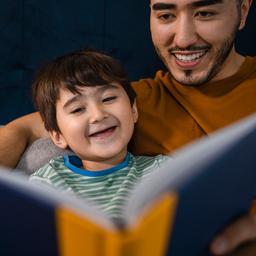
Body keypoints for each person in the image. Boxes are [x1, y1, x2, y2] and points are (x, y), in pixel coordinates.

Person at [0, 0, 255, 254]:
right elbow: (20, 129)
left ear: (243, 11)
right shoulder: (134, 100)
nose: (184, 39)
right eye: (166, 16)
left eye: (204, 13)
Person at [28, 49, 167, 219]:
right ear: (58, 136)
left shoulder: (163, 170)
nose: (98, 115)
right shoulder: (48, 182)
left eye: (108, 99)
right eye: (78, 109)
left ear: (133, 110)